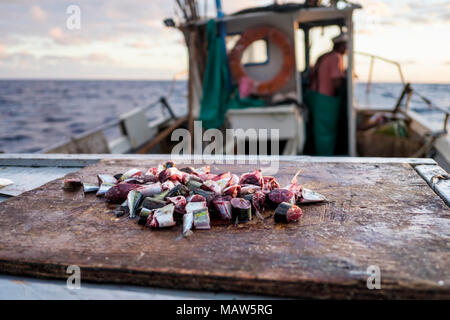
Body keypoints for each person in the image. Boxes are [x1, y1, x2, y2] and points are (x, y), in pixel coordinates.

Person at [304, 33, 348, 155]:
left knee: (319, 130)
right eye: (346, 46)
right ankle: (325, 158)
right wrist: (346, 78)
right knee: (325, 133)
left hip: (315, 96)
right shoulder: (335, 57)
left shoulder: (323, 56)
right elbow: (336, 81)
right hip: (325, 99)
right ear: (341, 45)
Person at [309, 32, 348, 97]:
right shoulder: (335, 57)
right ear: (339, 45)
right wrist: (346, 78)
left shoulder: (325, 56)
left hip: (314, 93)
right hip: (323, 96)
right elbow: (337, 82)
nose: (346, 48)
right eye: (345, 45)